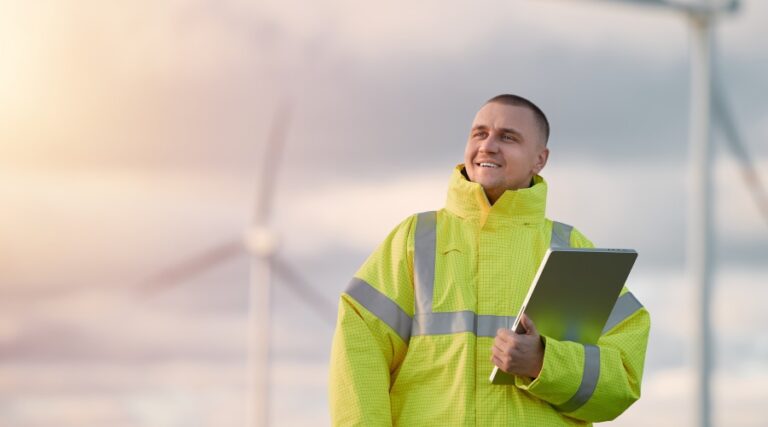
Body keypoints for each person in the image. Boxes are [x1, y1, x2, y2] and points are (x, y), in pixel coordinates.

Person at [329, 94, 650, 426]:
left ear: (540, 159)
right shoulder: (415, 239)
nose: (488, 146)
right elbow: (359, 351)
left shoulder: (571, 248)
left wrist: (544, 363)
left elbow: (622, 378)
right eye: (479, 133)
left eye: (508, 137)